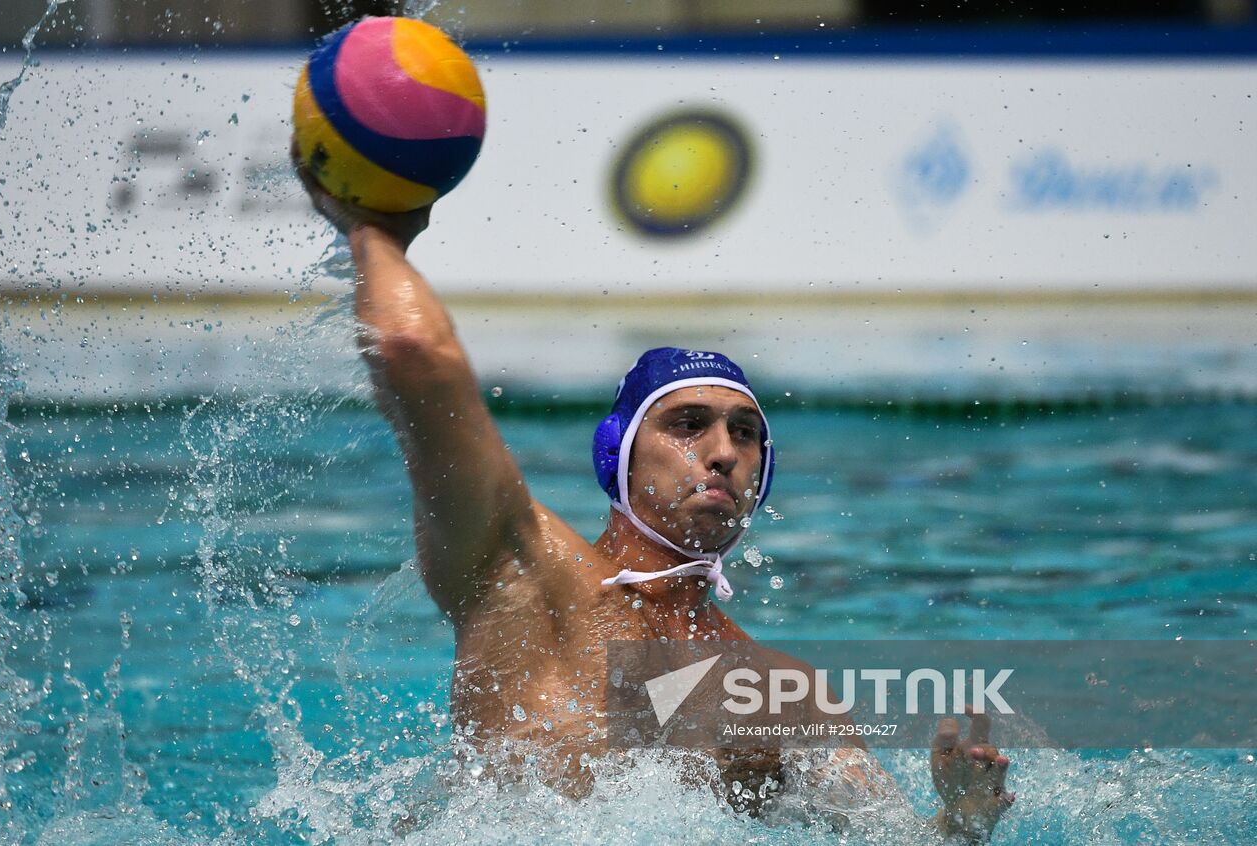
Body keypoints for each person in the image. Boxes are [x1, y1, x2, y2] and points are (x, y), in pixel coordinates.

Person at [292, 146, 1015, 840]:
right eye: (687, 425)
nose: (724, 452)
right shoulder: (522, 571)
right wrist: (375, 229)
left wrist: (961, 824)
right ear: (618, 457)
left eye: (746, 433)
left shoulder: (778, 695)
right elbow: (411, 352)